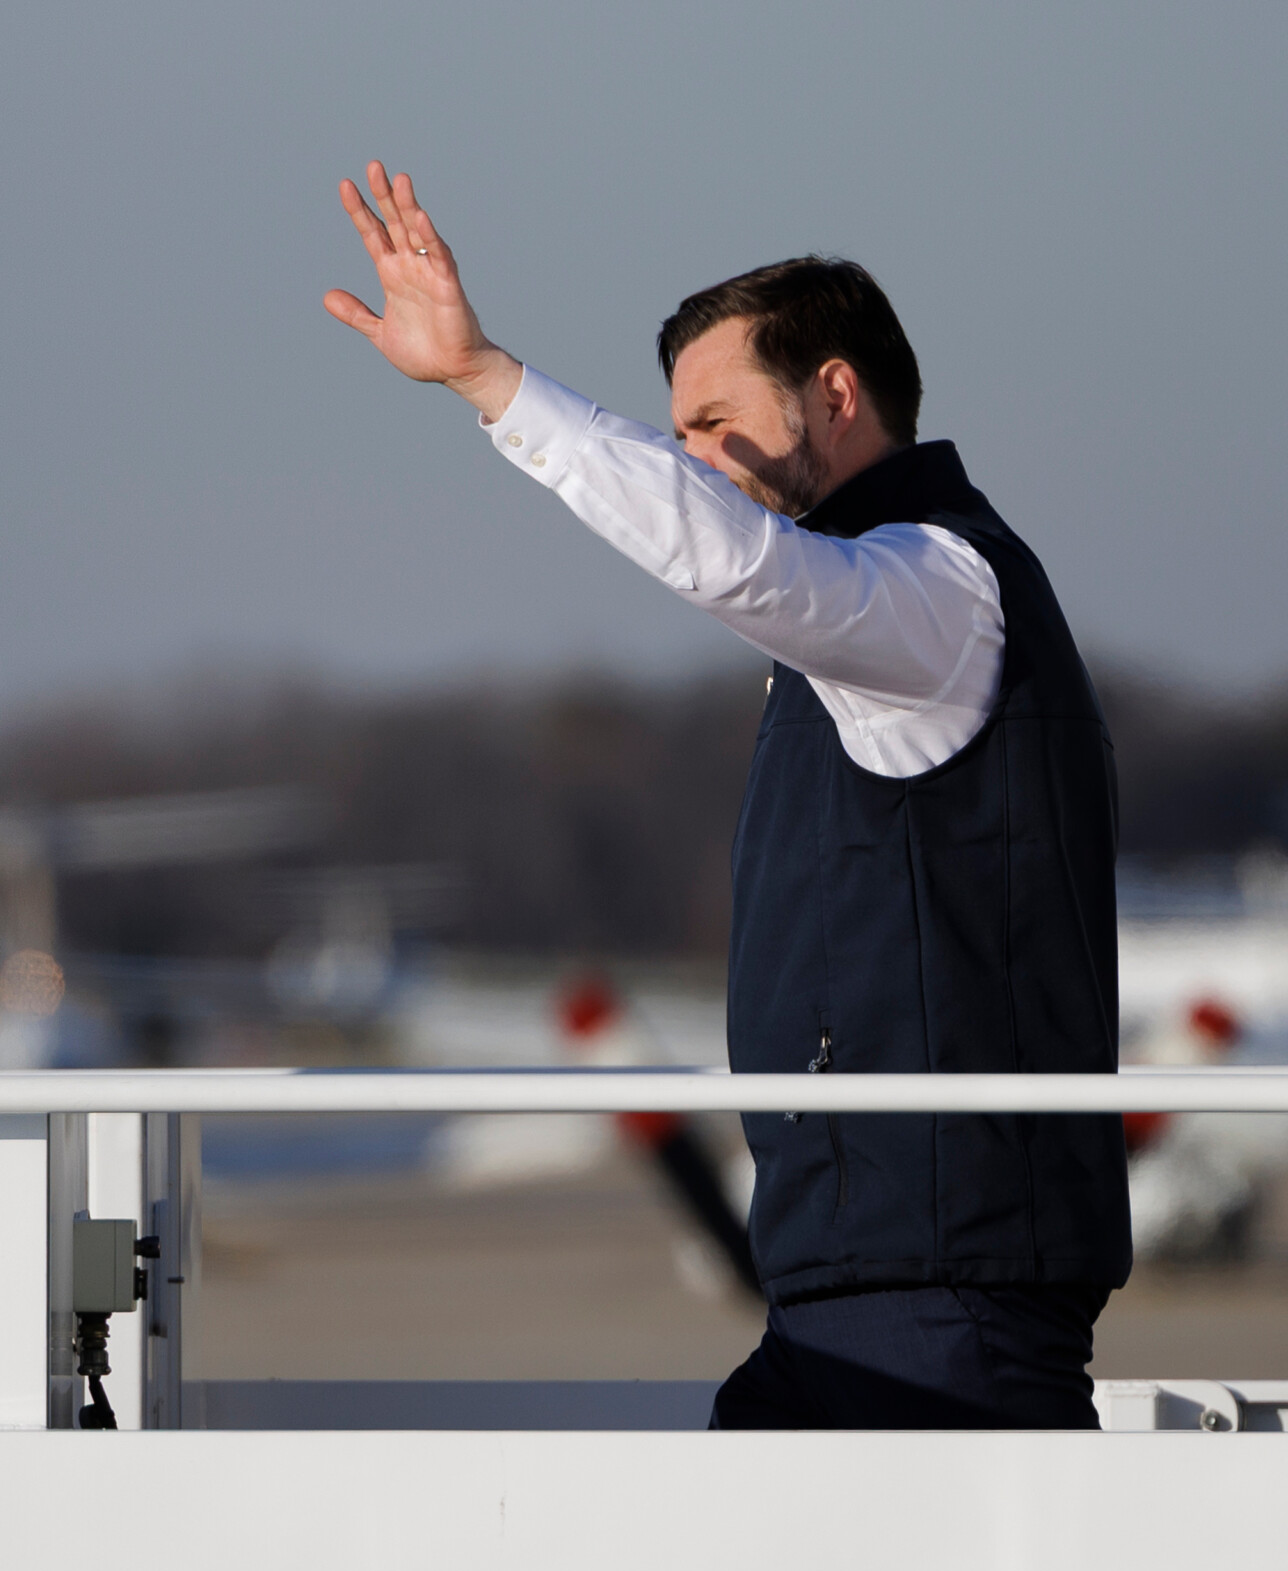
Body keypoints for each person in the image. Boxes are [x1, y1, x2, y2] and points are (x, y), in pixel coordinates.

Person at [326, 162, 1127, 1428]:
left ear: (836, 393)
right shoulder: (863, 622)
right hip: (851, 1287)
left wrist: (491, 382)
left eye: (709, 423)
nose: (693, 460)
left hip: (942, 1296)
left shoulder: (934, 589)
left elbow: (734, 559)